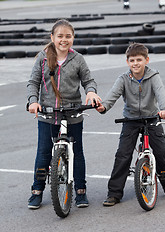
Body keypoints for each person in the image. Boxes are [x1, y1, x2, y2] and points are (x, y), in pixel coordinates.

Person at [27, 19, 101, 209]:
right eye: (60, 36)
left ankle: (80, 191)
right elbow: (33, 83)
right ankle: (36, 191)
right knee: (43, 153)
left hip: (73, 113)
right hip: (47, 113)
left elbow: (88, 80)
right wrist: (33, 101)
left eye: (68, 36)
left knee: (77, 153)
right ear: (52, 37)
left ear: (73, 38)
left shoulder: (77, 59)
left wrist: (91, 92)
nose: (64, 40)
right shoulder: (43, 58)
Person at [97, 42, 165, 206]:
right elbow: (112, 95)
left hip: (152, 118)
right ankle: (114, 193)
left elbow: (161, 94)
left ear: (146, 60)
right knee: (123, 155)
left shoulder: (153, 77)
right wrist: (104, 107)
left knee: (162, 153)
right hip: (130, 120)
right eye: (132, 60)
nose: (135, 63)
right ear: (127, 62)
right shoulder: (123, 79)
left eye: (139, 60)